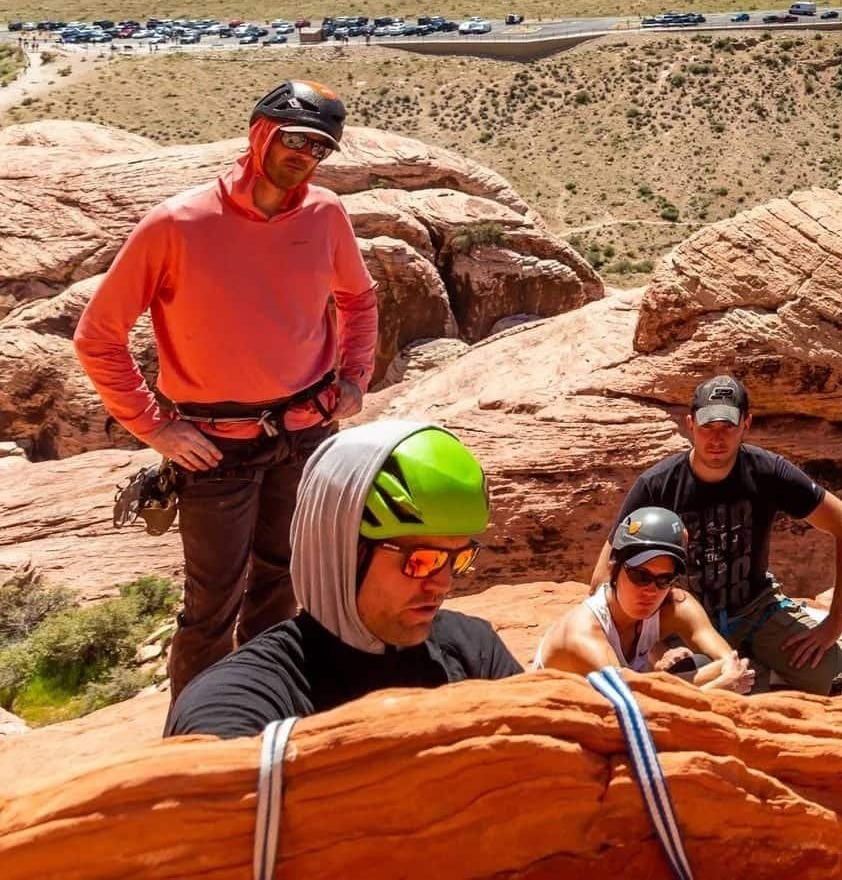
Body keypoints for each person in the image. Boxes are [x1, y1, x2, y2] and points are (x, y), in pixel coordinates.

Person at [74, 80, 378, 699]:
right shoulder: (178, 224)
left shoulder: (324, 215)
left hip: (305, 432)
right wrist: (154, 426)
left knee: (282, 581)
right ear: (259, 132)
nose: (303, 155)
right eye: (293, 138)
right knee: (212, 599)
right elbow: (96, 335)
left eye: (319, 148)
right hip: (215, 446)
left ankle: (259, 710)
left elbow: (358, 298)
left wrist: (354, 375)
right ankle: (197, 736)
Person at [165, 422, 520, 739]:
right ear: (342, 548)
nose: (442, 585)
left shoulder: (474, 650)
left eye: (457, 559)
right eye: (422, 561)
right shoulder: (239, 701)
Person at [602, 374, 842, 694]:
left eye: (727, 427)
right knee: (685, 683)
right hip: (684, 617)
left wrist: (833, 624)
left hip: (756, 609)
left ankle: (807, 630)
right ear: (690, 424)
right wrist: (653, 645)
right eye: (707, 427)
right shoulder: (658, 485)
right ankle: (765, 668)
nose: (716, 438)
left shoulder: (767, 471)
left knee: (836, 679)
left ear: (746, 424)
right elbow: (604, 573)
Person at [534, 506, 754, 692]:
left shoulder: (674, 606)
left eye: (664, 579)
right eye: (640, 576)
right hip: (558, 723)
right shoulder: (583, 633)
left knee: (700, 665)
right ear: (613, 568)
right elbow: (633, 700)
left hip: (616, 706)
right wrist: (715, 689)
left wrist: (725, 671)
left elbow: (730, 661)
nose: (650, 590)